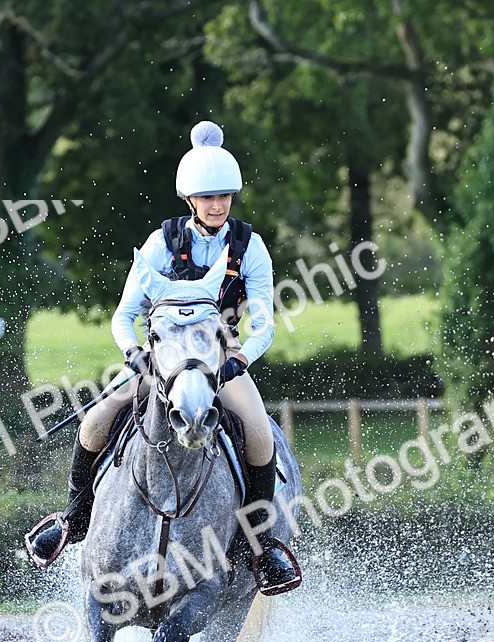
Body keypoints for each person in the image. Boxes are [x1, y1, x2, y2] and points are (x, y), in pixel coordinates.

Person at [26, 119, 301, 593]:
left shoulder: (248, 246)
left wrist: (240, 360)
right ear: (190, 200)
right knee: (95, 422)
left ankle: (262, 548)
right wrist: (132, 352)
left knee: (258, 434)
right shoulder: (161, 243)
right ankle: (73, 518)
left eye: (225, 197)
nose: (218, 206)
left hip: (221, 355)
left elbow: (266, 324)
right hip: (162, 358)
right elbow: (123, 316)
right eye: (209, 198)